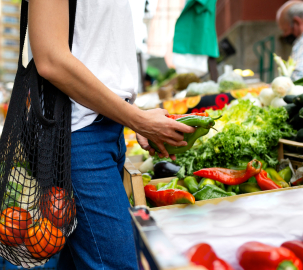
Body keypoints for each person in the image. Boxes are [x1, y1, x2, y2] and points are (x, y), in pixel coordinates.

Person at [27, 1, 194, 269]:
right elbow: (50, 59)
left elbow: (97, 58)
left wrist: (131, 112)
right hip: (78, 138)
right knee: (118, 263)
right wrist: (136, 119)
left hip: (105, 132)